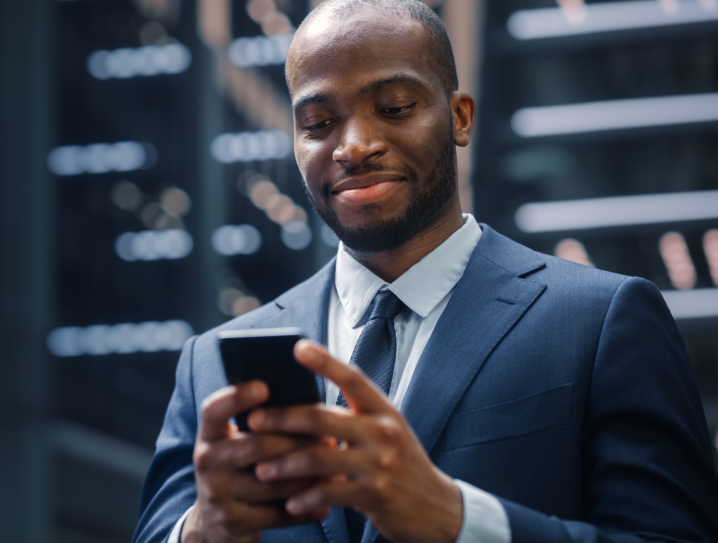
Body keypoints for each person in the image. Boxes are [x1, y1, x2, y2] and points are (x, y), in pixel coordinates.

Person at [131, 1, 718, 542]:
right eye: (317, 123)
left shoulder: (601, 321)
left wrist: (457, 520)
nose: (354, 146)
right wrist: (201, 529)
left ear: (459, 118)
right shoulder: (212, 361)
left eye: (393, 108)